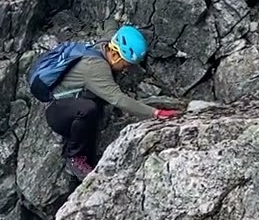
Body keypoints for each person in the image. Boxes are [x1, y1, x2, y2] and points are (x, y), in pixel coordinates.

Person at [33, 26, 180, 178]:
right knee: (88, 109)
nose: (125, 70)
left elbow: (111, 26)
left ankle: (86, 156)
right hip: (57, 112)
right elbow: (118, 99)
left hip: (69, 102)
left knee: (94, 109)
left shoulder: (104, 45)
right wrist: (155, 113)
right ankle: (74, 156)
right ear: (115, 55)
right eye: (125, 64)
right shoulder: (96, 67)